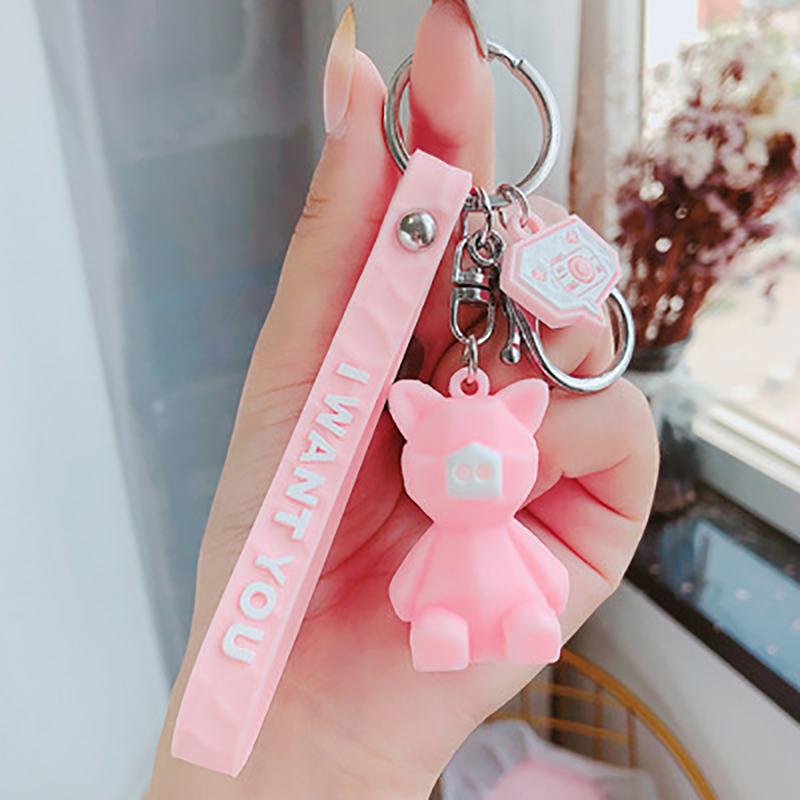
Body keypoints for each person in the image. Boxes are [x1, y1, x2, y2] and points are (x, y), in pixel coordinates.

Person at [146, 2, 659, 797]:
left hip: (407, 655)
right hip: (355, 643)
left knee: (524, 603)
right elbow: (413, 585)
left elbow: (530, 572)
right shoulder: (428, 471)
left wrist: (325, 757)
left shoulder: (503, 463)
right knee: (446, 619)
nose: (472, 473)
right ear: (415, 423)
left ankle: (514, 628)